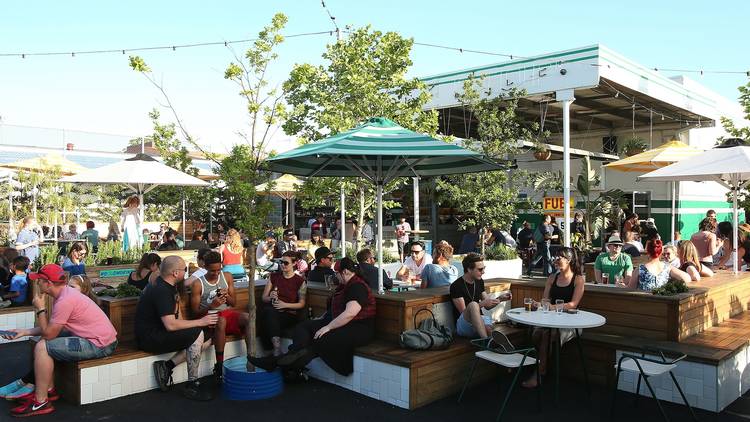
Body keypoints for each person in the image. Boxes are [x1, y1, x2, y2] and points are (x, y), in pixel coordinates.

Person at [2, 264, 117, 417]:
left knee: (43, 347)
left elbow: (49, 334)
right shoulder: (64, 294)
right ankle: (48, 391)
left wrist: (40, 309)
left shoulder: (65, 300)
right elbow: (53, 328)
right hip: (96, 339)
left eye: (39, 280)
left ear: (48, 284)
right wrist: (24, 332)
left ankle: (41, 401)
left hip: (99, 344)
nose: (37, 283)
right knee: (43, 343)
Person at [249, 257, 376, 376]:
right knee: (304, 327)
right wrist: (323, 319)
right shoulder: (345, 286)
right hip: (342, 323)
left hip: (359, 328)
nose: (336, 276)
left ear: (346, 272)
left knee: (322, 337)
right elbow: (337, 310)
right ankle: (289, 360)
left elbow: (350, 313)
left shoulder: (357, 287)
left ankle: (279, 363)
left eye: (337, 273)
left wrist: (328, 327)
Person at [135, 256, 218, 401]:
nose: (186, 272)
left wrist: (200, 324)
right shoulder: (161, 290)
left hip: (159, 332)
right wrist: (200, 322)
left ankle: (167, 366)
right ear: (175, 273)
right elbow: (171, 324)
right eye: (184, 270)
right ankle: (192, 384)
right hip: (150, 338)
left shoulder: (167, 286)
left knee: (209, 336)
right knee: (198, 332)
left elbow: (177, 320)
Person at [522, 247, 585, 388]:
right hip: (551, 320)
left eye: (559, 258)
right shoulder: (552, 278)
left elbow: (573, 304)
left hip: (571, 323)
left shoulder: (578, 279)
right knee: (535, 333)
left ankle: (540, 373)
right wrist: (538, 304)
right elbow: (545, 300)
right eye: (555, 257)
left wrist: (553, 307)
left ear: (569, 260)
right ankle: (541, 367)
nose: (555, 260)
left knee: (546, 335)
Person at [189, 251, 250, 379]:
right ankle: (219, 364)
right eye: (213, 271)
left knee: (247, 317)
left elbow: (234, 303)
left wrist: (226, 296)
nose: (216, 273)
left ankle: (251, 357)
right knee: (221, 320)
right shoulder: (198, 283)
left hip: (226, 313)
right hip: (208, 317)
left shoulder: (227, 276)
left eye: (219, 269)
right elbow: (194, 312)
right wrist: (211, 305)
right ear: (205, 267)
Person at [450, 253, 510, 339]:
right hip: (464, 324)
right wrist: (482, 304)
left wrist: (500, 299)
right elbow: (464, 312)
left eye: (483, 268)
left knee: (489, 330)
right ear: (469, 270)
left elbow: (488, 306)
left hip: (480, 319)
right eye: (480, 269)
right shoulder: (456, 286)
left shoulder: (479, 281)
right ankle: (485, 340)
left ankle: (493, 346)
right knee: (473, 304)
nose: (483, 272)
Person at [258, 251, 307, 357]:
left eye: (286, 263)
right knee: (268, 313)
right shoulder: (274, 277)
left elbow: (301, 303)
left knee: (267, 315)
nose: (282, 265)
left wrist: (285, 305)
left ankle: (272, 351)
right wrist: (271, 297)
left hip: (289, 313)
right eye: (281, 262)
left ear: (294, 263)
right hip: (273, 311)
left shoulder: (299, 281)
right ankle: (277, 349)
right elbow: (264, 298)